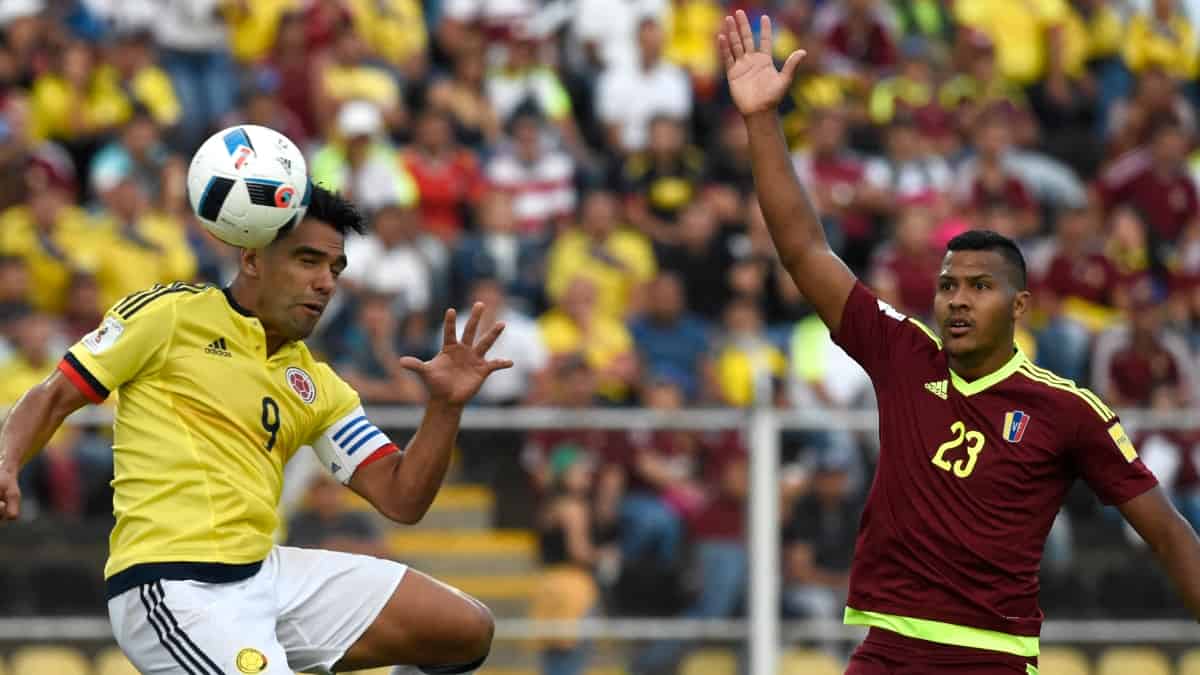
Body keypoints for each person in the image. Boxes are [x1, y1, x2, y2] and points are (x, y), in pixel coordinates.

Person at [719, 11, 1200, 674]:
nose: (959, 300)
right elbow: (804, 249)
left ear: (1020, 304)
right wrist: (761, 121)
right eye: (949, 287)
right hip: (885, 652)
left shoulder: (1067, 409)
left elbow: (1170, 535)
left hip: (989, 661)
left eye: (980, 287)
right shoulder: (902, 353)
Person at [0, 185, 513, 675]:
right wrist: (6, 459)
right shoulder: (170, 315)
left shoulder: (316, 383)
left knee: (465, 627)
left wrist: (444, 407)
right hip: (171, 584)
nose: (326, 282)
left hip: (265, 576)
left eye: (335, 268)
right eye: (308, 260)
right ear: (252, 260)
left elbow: (403, 499)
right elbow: (52, 396)